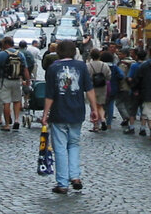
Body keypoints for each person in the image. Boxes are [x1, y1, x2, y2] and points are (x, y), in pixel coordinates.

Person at [42, 40, 99, 195]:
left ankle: (62, 183)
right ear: (74, 52)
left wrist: (45, 114)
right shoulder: (81, 66)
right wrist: (94, 109)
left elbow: (50, 94)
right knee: (74, 144)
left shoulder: (53, 68)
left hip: (59, 112)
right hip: (77, 111)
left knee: (60, 148)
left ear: (58, 52)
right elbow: (89, 89)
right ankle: (75, 176)